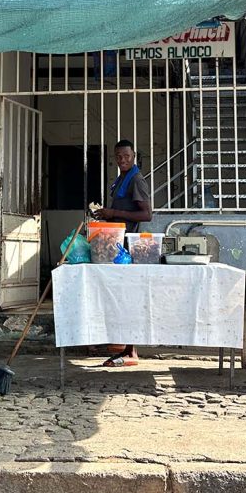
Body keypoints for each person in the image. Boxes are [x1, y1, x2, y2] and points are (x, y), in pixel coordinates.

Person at [92, 139, 153, 367]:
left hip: (127, 247)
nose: (122, 160)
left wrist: (113, 212)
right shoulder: (121, 179)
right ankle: (122, 344)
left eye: (126, 156)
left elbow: (146, 214)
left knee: (128, 296)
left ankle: (131, 350)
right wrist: (106, 214)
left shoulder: (136, 180)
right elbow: (120, 210)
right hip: (117, 244)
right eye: (118, 157)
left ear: (134, 156)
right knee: (119, 295)